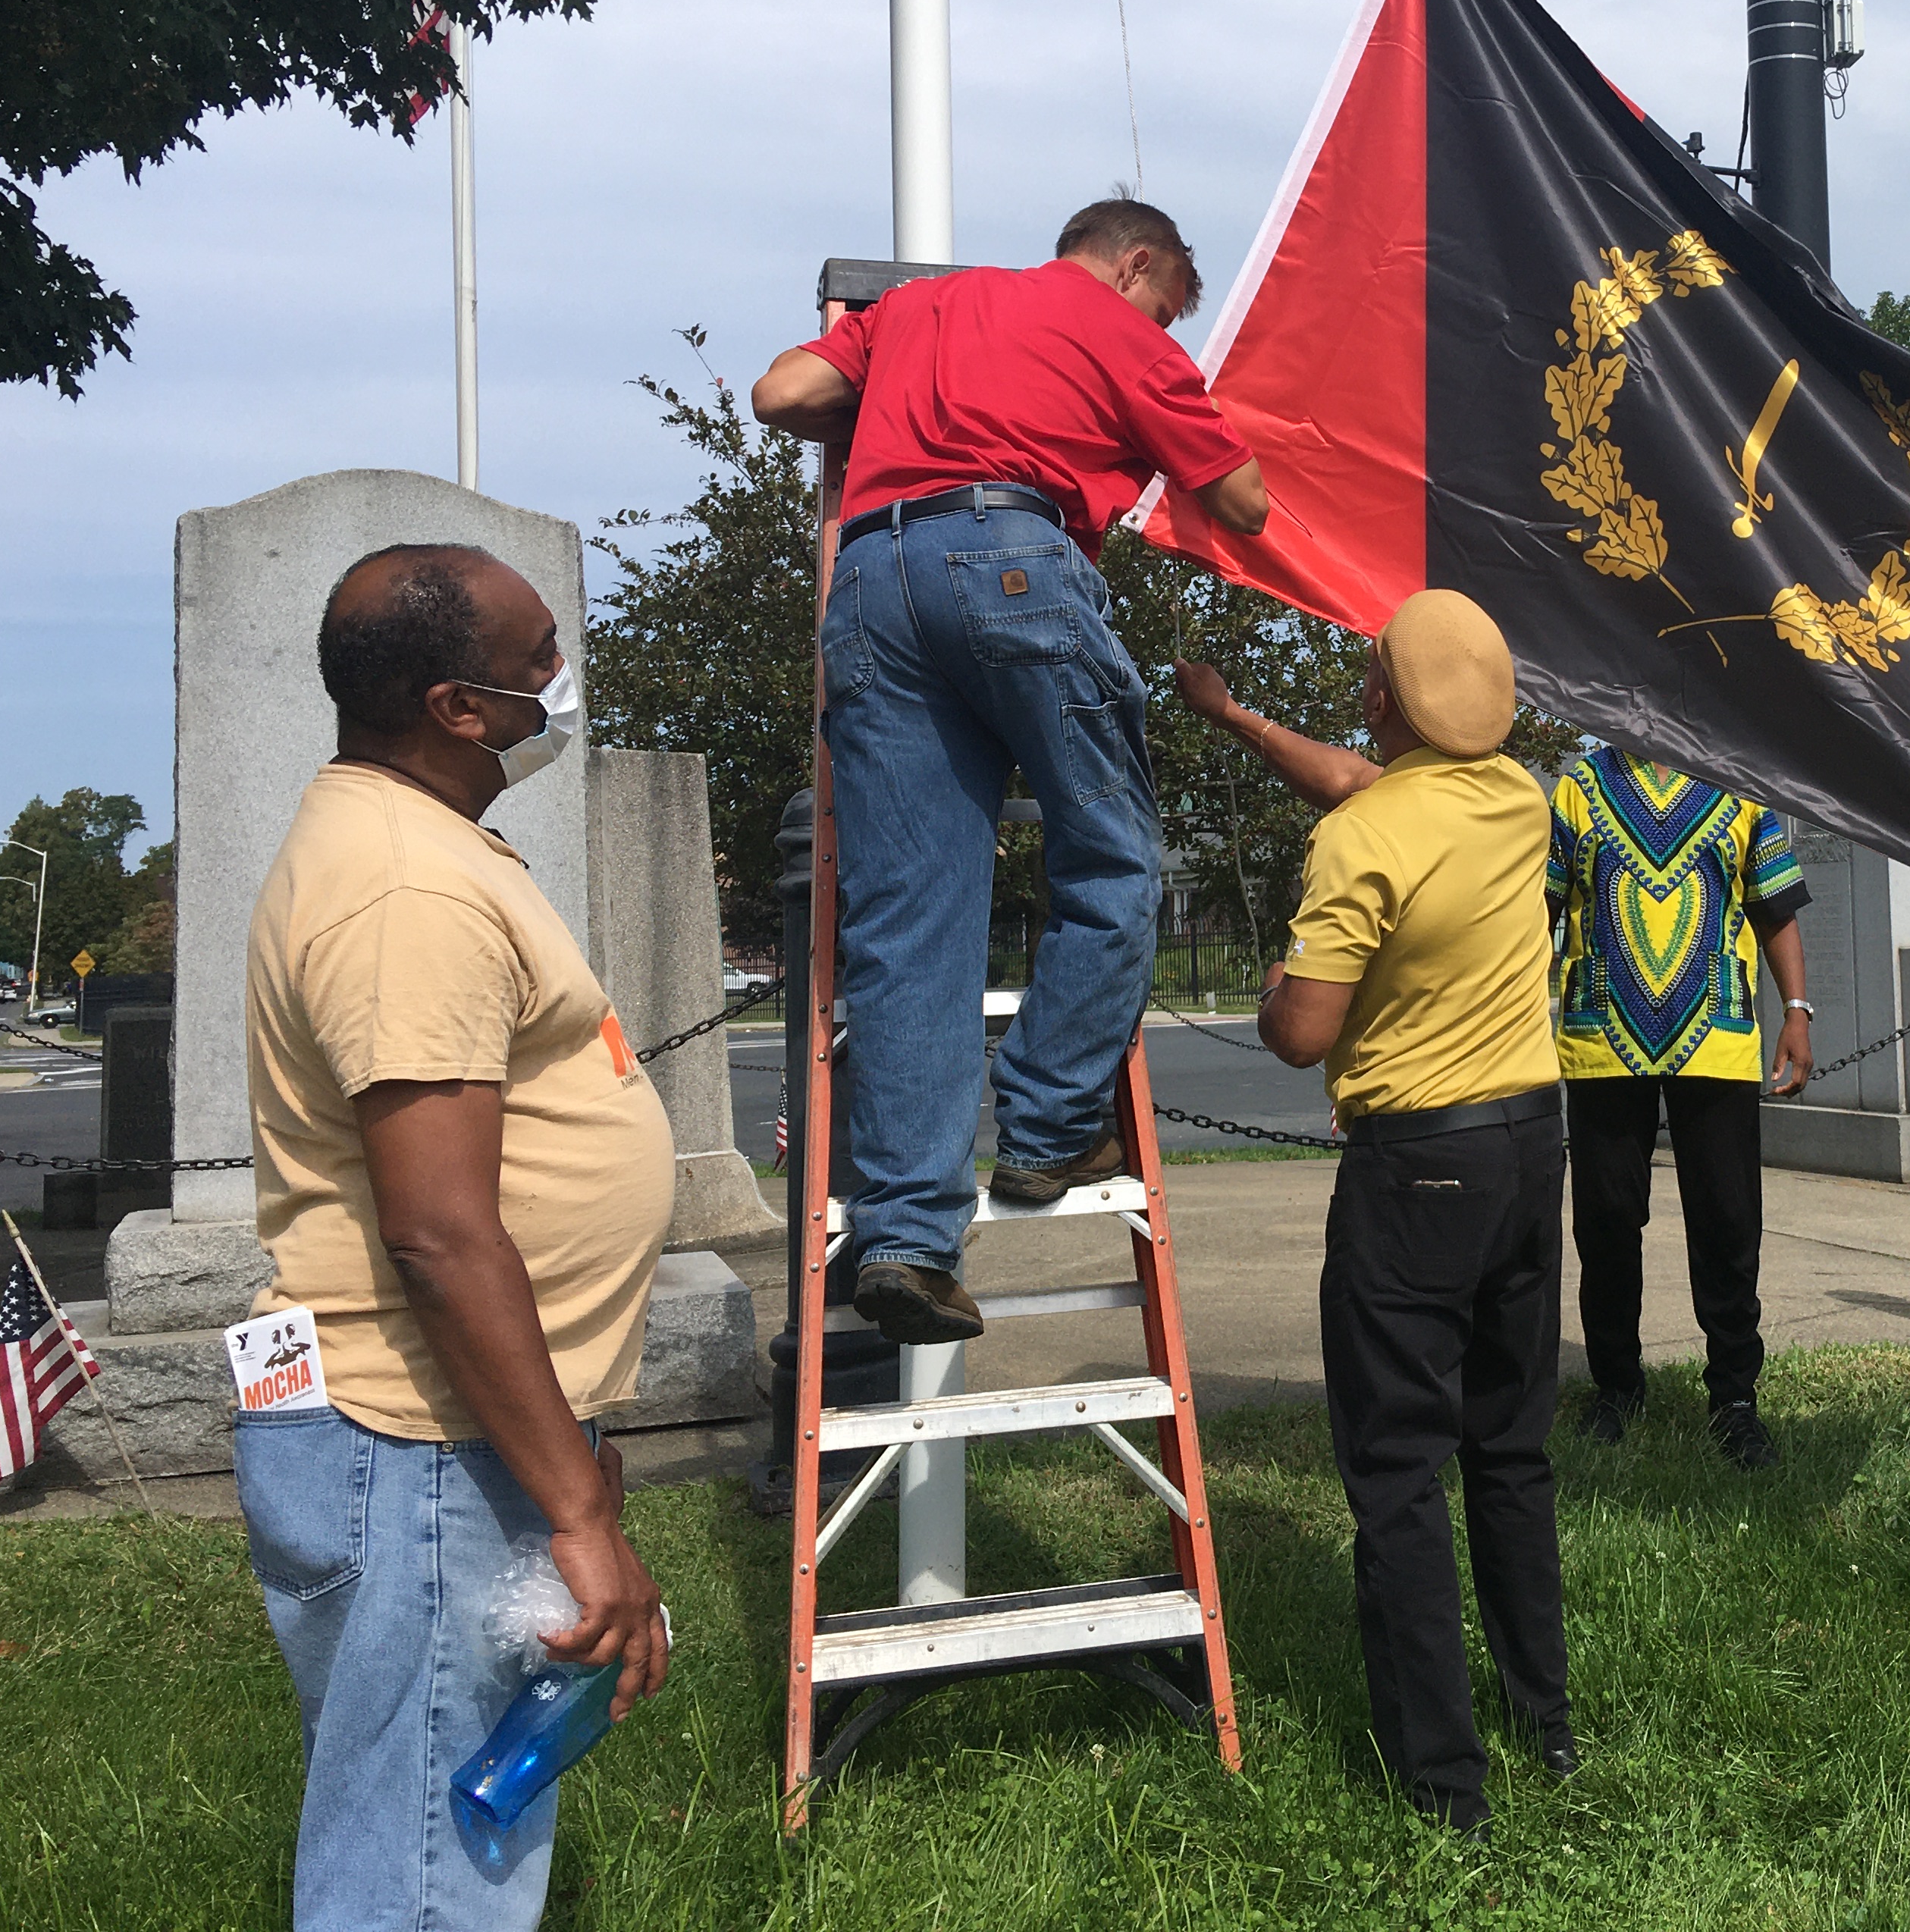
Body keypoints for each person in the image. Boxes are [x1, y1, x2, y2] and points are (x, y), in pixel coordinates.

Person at [237, 544, 673, 1930]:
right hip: (413, 1443)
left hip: (444, 1432)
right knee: (421, 1874)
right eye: (540, 651)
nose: (563, 671)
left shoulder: (419, 839)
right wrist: (579, 1511)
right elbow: (436, 1229)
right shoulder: (403, 890)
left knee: (422, 1812)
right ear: (457, 705)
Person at [750, 197, 1273, 1345]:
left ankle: (904, 1242)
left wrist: (900, 398)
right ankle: (1043, 1127)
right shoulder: (1123, 331)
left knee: (908, 922)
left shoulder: (915, 308)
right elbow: (1244, 502)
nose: (1167, 321)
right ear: (1136, 264)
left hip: (876, 584)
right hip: (1014, 559)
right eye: (1170, 301)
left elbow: (782, 395)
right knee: (1117, 859)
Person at [1177, 597, 1571, 1839]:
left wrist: (1274, 991)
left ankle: (1443, 1782)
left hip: (1417, 1169)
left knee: (1398, 1471)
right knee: (1509, 1446)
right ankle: (1544, 1716)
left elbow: (1303, 1034)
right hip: (1530, 1141)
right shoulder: (1520, 795)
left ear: (1389, 702)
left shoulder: (1360, 844)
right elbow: (1364, 782)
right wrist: (1238, 718)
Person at [1546, 745, 1814, 1466]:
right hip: (1602, 1037)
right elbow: (1534, 912)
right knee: (1605, 1222)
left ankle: (1734, 1397)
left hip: (1718, 1036)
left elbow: (1774, 906)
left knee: (1729, 1220)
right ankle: (1616, 1387)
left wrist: (1796, 1009)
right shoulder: (1578, 789)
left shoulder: (1739, 782)